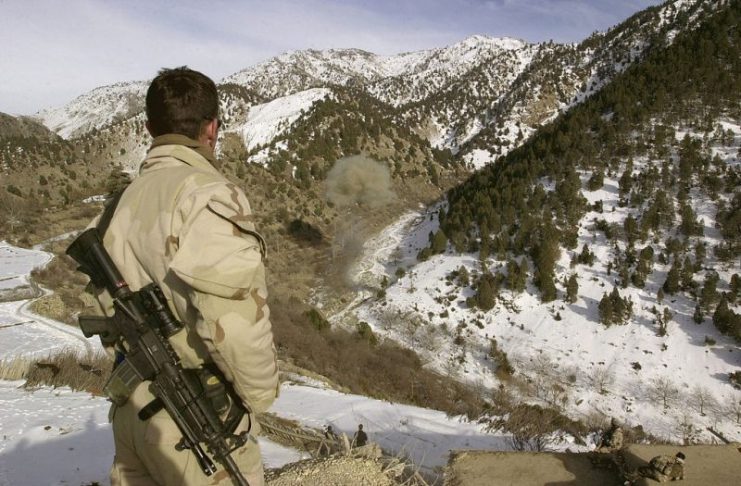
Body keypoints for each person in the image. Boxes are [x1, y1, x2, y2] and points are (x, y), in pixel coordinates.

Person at [84, 67, 279, 485]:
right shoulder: (208, 195)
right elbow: (235, 325)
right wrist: (259, 398)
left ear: (150, 127)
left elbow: (100, 304)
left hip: (133, 412)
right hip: (195, 421)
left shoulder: (121, 200)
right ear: (212, 128)